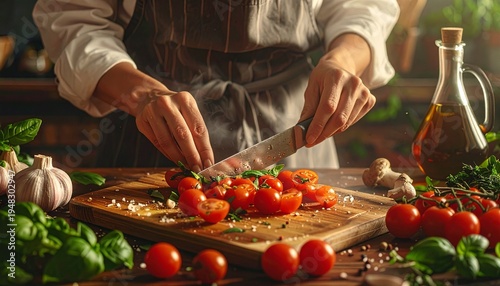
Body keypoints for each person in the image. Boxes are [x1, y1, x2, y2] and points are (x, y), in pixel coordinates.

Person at [32, 0, 400, 172]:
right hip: (150, 141)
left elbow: (364, 7)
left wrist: (343, 60)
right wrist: (145, 95)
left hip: (296, 136)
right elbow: (72, 21)